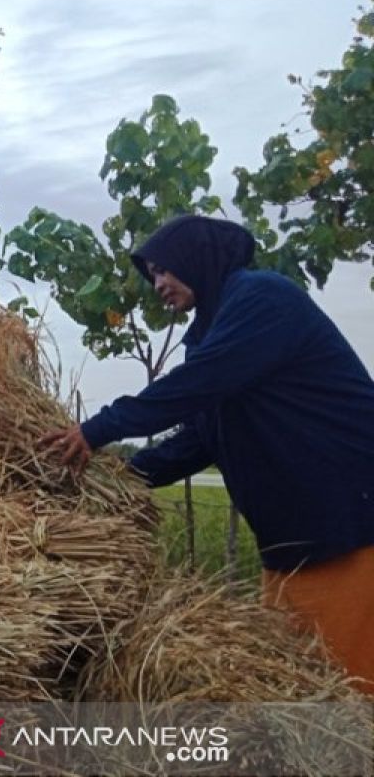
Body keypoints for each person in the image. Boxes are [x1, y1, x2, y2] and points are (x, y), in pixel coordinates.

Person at [42, 215, 374, 692]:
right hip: (295, 538)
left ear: (198, 258)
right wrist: (121, 478)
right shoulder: (207, 334)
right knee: (306, 684)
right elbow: (200, 438)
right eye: (151, 274)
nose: (157, 283)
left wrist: (98, 429)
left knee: (351, 689)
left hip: (349, 520)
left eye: (164, 269)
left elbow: (198, 386)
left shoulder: (262, 299)